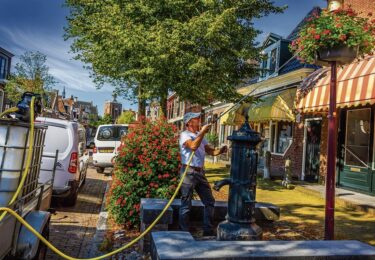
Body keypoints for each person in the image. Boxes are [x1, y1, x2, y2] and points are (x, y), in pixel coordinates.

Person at [179, 112, 228, 236]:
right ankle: (184, 233)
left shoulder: (199, 135)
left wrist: (221, 150)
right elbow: (193, 146)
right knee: (186, 204)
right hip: (188, 172)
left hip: (200, 173)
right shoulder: (184, 135)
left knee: (209, 201)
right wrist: (202, 132)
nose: (199, 120)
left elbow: (210, 151)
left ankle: (207, 230)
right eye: (196, 118)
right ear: (189, 122)